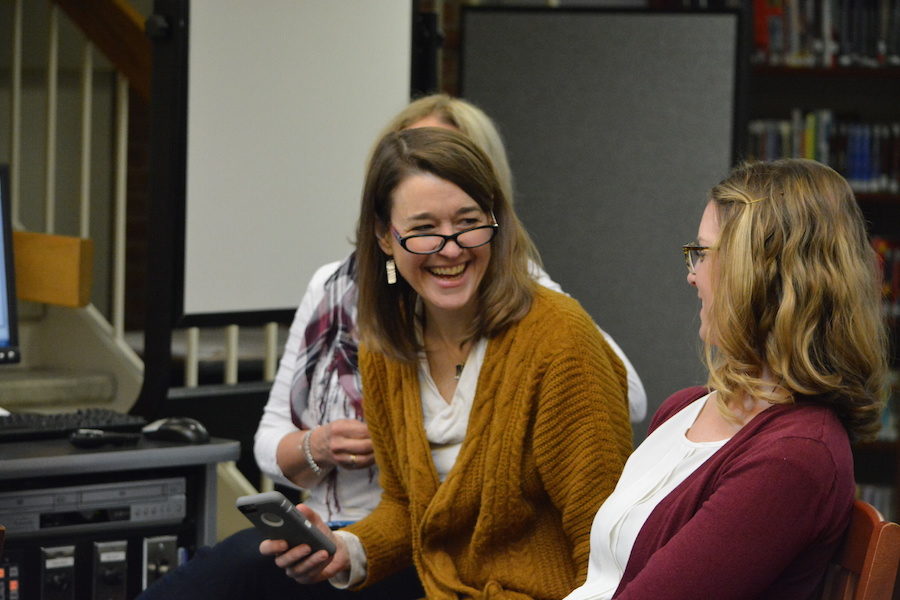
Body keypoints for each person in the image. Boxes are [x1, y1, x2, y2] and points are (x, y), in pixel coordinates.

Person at [260, 126, 633, 599]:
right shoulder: (385, 345)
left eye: (468, 221)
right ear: (383, 237)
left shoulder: (559, 338)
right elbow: (407, 507)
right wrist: (345, 548)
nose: (451, 248)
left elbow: (605, 535)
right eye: (422, 230)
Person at [563, 158, 888, 600]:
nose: (691, 275)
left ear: (766, 274)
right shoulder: (683, 408)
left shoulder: (798, 457)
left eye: (703, 253)